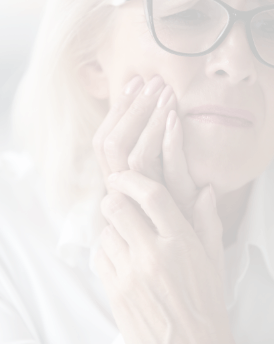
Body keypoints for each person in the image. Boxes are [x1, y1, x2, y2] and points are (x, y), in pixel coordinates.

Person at [1, 0, 274, 342]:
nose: (236, 63)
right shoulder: (8, 234)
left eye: (270, 27)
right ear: (90, 58)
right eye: (188, 15)